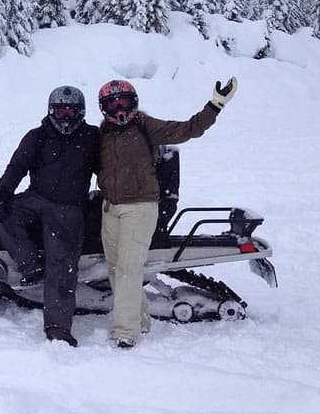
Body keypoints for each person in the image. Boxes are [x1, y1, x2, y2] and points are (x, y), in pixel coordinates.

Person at [96, 77, 238, 348]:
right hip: (110, 208)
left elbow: (187, 129)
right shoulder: (103, 134)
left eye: (123, 103)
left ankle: (126, 331)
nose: (119, 110)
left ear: (133, 103)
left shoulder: (146, 126)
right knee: (115, 269)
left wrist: (215, 105)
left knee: (129, 269)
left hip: (140, 208)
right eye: (112, 105)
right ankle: (142, 320)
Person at [0, 85, 100, 347]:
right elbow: (17, 165)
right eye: (60, 110)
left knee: (62, 266)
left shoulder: (91, 137)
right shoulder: (37, 136)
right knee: (0, 213)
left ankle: (58, 327)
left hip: (69, 207)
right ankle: (30, 266)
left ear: (80, 111)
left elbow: (108, 168)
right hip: (35, 198)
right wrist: (3, 192)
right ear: (51, 111)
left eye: (71, 110)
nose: (65, 116)